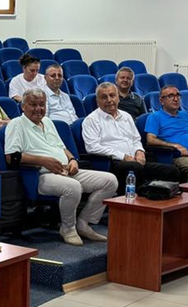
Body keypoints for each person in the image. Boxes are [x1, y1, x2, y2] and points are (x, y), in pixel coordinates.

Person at [7, 90, 116, 246]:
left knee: (110, 181)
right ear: (23, 106)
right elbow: (12, 157)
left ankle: (84, 223)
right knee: (73, 187)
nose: (38, 108)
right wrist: (44, 161)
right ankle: (68, 228)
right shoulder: (16, 124)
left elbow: (62, 147)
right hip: (40, 175)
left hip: (65, 169)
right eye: (33, 105)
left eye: (42, 104)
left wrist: (72, 160)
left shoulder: (48, 122)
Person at [84, 82, 183, 192]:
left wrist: (139, 151)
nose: (109, 100)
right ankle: (143, 198)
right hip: (112, 163)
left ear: (118, 97)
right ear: (97, 101)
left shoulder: (126, 116)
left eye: (112, 95)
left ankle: (161, 199)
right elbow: (92, 147)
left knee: (171, 171)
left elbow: (136, 139)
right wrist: (123, 156)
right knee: (135, 168)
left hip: (135, 160)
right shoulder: (91, 120)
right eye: (104, 97)